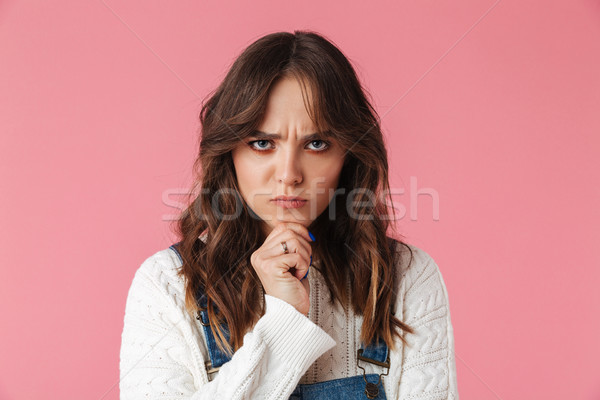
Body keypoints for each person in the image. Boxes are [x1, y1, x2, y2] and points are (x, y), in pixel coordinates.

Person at [119, 30, 458, 399]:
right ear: (229, 152)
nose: (289, 174)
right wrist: (282, 319)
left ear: (349, 154)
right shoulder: (167, 285)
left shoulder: (407, 280)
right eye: (262, 143)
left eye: (316, 144)